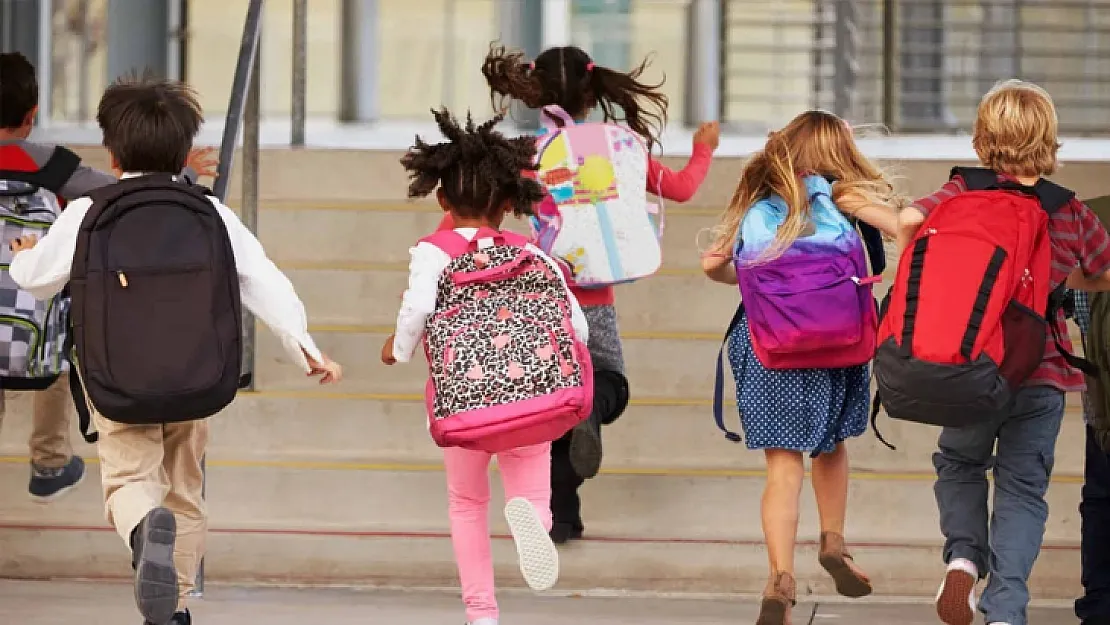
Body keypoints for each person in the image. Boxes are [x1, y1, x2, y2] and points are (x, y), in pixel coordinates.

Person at [7, 74, 341, 625]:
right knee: (185, 489)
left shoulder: (88, 212)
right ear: (187, 152)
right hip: (194, 376)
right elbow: (263, 279)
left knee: (131, 479)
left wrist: (24, 252)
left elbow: (38, 280)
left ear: (112, 155)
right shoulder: (210, 211)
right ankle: (175, 607)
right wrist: (304, 346)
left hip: (117, 377)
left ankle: (143, 527)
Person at [477, 43, 720, 543]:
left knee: (550, 404)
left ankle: (562, 518)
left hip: (540, 295)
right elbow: (681, 189)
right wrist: (704, 150)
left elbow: (486, 209)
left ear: (534, 90)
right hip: (596, 298)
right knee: (608, 382)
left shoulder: (527, 155)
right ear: (593, 92)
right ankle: (593, 409)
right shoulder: (620, 144)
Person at [897, 80, 1110, 625]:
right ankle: (1007, 609)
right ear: (1050, 139)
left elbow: (908, 221)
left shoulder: (959, 193)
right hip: (1040, 375)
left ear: (981, 137)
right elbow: (1100, 272)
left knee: (961, 462)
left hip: (970, 368)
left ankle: (964, 558)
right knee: (1022, 489)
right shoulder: (1070, 212)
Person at [381, 108, 590, 625]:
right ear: (507, 204)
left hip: (464, 401)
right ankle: (535, 525)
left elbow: (418, 309)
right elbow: (576, 328)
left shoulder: (433, 252)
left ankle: (481, 612)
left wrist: (398, 349)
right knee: (530, 484)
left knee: (467, 502)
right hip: (530, 395)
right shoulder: (532, 254)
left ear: (442, 200)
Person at [700, 110, 902, 625]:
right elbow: (900, 232)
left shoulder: (759, 195)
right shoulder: (845, 198)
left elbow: (714, 265)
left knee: (782, 468)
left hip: (771, 345)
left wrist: (750, 278)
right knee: (832, 447)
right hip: (839, 342)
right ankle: (834, 542)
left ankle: (779, 581)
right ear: (840, 153)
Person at [0, 52, 216, 502]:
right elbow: (130, 192)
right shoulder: (51, 163)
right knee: (59, 335)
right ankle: (49, 461)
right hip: (33, 318)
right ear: (32, 113)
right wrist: (189, 174)